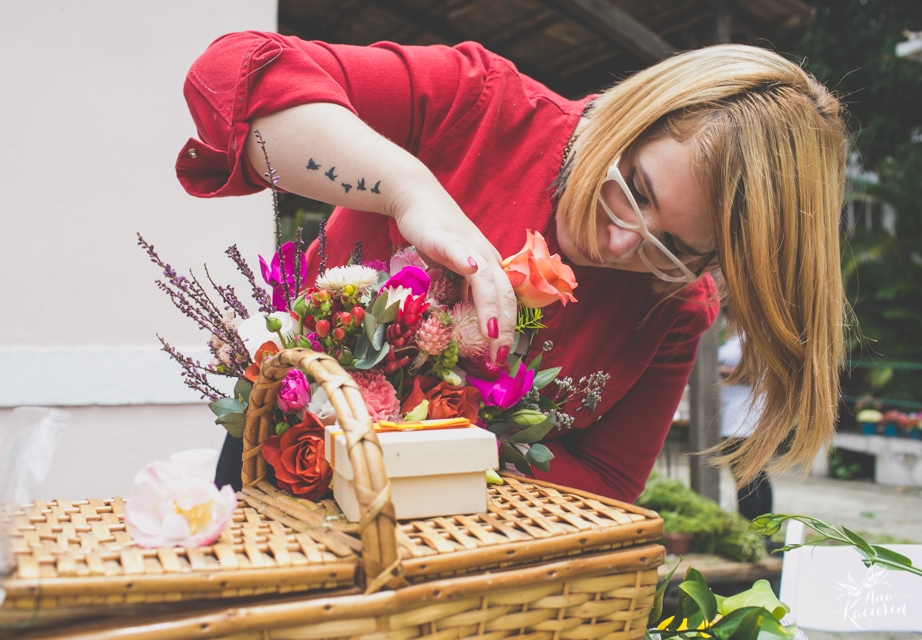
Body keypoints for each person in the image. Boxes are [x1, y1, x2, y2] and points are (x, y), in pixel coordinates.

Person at [177, 32, 848, 503]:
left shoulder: (674, 307)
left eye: (670, 247)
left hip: (458, 562)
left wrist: (455, 442)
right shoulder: (477, 105)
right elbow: (235, 75)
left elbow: (609, 485)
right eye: (635, 190)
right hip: (275, 474)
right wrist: (407, 191)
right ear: (633, 115)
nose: (619, 247)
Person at [718, 332, 772, 521]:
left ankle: (751, 530)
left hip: (743, 418)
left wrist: (712, 367)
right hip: (740, 416)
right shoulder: (739, 333)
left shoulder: (756, 333)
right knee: (756, 476)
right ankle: (762, 533)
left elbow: (753, 373)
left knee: (747, 478)